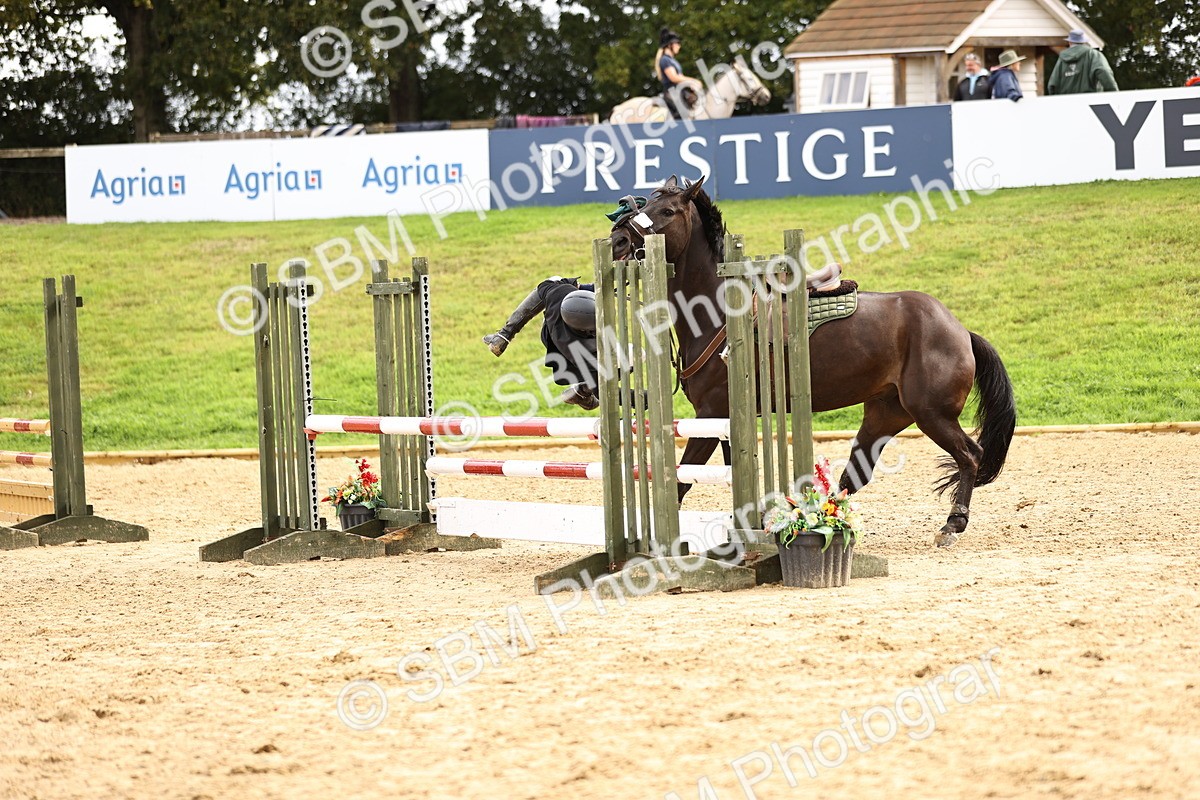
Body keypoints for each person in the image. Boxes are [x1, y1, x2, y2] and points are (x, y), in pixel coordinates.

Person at [483, 279, 601, 409]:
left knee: (554, 282)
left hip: (559, 334)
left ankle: (504, 335)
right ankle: (583, 391)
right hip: (573, 340)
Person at [1047, 30, 1118, 95]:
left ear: (1070, 42)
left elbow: (1052, 85)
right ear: (1084, 42)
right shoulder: (1093, 54)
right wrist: (1115, 94)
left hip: (1067, 104)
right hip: (1090, 102)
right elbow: (1104, 72)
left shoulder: (1062, 59)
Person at [655, 27, 688, 120]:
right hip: (671, 93)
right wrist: (693, 80)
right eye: (677, 43)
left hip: (680, 91)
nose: (679, 46)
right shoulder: (665, 60)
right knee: (682, 114)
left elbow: (681, 77)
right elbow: (673, 78)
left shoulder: (673, 61)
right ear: (670, 45)